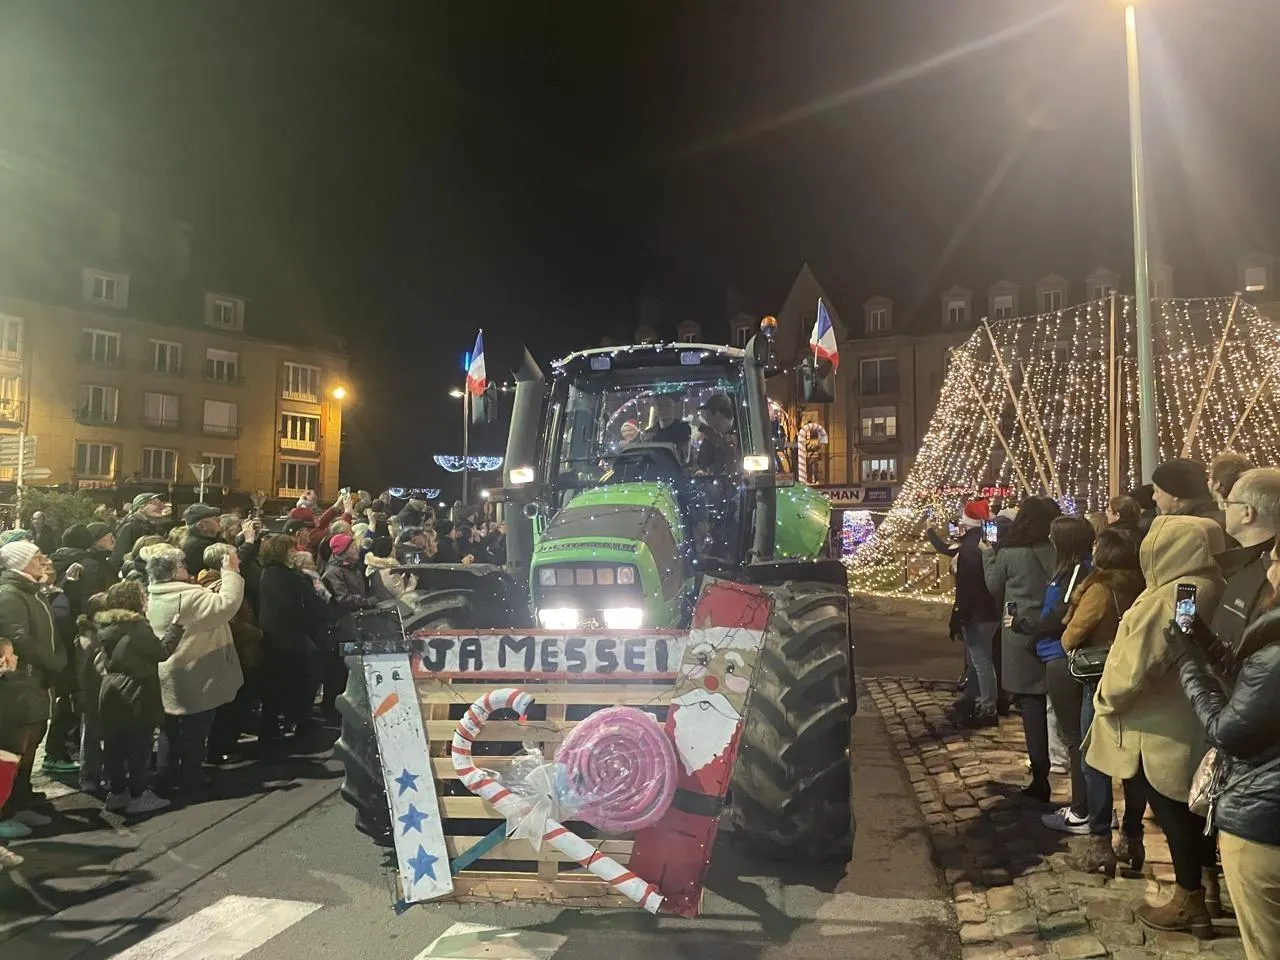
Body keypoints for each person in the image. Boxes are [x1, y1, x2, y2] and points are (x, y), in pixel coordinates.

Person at [1083, 516, 1226, 938]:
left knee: (1171, 808)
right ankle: (1207, 888)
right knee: (1194, 808)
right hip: (1188, 717)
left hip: (1158, 726)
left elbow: (1142, 660)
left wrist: (1107, 696)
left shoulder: (1175, 593)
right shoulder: (1212, 583)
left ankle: (1189, 900)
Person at [1172, 539, 1280, 960]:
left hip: (1264, 822)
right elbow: (1257, 691)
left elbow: (1228, 730)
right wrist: (1205, 642)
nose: (1268, 571)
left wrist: (1189, 668)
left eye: (1274, 560)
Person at [1060, 529, 1147, 875]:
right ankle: (1132, 837)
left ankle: (1100, 842)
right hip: (1135, 681)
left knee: (1094, 760)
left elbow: (1070, 638)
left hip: (1100, 682)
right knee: (1133, 763)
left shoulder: (1099, 589)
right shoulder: (1142, 586)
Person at [1008, 515, 1096, 833]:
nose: (1049, 541)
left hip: (1062, 656)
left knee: (1074, 737)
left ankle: (1082, 810)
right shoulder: (1069, 570)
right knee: (1074, 735)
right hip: (1053, 653)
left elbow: (1061, 615)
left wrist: (1024, 625)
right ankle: (1089, 806)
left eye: (1054, 536)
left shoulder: (1076, 572)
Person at [145, 545, 245, 796]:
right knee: (195, 728)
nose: (186, 569)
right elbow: (227, 604)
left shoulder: (156, 593)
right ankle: (191, 775)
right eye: (182, 566)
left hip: (170, 671)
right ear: (173, 571)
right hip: (194, 672)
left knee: (170, 727)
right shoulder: (188, 597)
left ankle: (166, 775)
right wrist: (230, 571)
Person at [983, 496, 1062, 800]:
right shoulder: (1057, 550)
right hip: (1054, 630)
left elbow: (994, 586)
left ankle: (1040, 775)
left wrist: (987, 555)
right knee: (1060, 705)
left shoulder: (1010, 552)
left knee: (1031, 706)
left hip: (1019, 633)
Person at [0, 540, 64, 836]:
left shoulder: (31, 591)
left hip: (35, 682)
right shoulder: (9, 594)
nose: (43, 561)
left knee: (28, 749)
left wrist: (58, 658)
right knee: (11, 751)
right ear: (21, 563)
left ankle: (20, 803)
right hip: (18, 685)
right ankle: (4, 814)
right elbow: (18, 637)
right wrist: (52, 661)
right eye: (37, 557)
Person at [93, 581, 172, 816]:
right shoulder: (137, 626)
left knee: (115, 744)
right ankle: (139, 795)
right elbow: (160, 652)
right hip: (137, 688)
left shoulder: (106, 625)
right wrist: (176, 629)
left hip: (111, 687)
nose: (145, 598)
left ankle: (117, 793)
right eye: (142, 595)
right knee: (139, 744)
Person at [929, 500, 1000, 725]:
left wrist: (960, 613)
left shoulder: (969, 547)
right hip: (990, 610)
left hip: (977, 613)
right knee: (980, 661)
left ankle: (987, 708)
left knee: (982, 662)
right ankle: (974, 699)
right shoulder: (987, 541)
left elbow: (968, 585)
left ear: (966, 521)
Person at [196, 543, 263, 764]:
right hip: (236, 651)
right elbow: (229, 621)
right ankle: (219, 749)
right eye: (235, 556)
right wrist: (256, 633)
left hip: (243, 650)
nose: (239, 560)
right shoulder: (217, 587)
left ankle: (226, 744)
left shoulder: (224, 583)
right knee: (230, 705)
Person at [257, 535, 328, 741]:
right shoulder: (283, 577)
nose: (295, 553)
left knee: (281, 683)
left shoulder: (271, 574)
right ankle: (295, 722)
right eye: (291, 550)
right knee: (296, 680)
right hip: (288, 637)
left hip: (280, 635)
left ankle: (283, 723)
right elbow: (296, 607)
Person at [320, 533, 373, 718]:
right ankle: (331, 709)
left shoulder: (354, 569)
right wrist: (367, 602)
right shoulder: (333, 573)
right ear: (342, 551)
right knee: (338, 671)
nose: (356, 549)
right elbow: (343, 599)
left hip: (355, 626)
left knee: (349, 671)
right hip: (342, 628)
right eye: (351, 547)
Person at [1152, 458, 1235, 547]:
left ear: (1174, 493)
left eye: (1157, 491)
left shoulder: (1188, 530)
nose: (1154, 497)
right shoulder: (1222, 521)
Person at [111, 494, 173, 569]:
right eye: (155, 503)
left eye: (161, 503)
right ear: (142, 508)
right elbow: (117, 557)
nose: (161, 506)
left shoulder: (153, 525)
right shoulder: (130, 526)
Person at [693, 394, 738, 475]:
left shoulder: (741, 435)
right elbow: (702, 463)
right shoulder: (710, 439)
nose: (707, 420)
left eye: (708, 414)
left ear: (717, 413)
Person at [180, 503, 228, 577]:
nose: (219, 520)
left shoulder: (209, 540)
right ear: (201, 526)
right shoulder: (198, 546)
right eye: (214, 518)